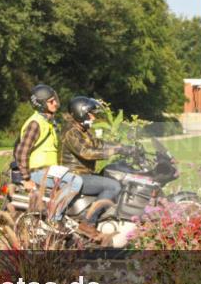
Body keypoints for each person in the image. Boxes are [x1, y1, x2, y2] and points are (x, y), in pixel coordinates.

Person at [13, 84, 83, 222]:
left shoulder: (48, 122)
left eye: (55, 99)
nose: (55, 103)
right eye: (51, 101)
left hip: (49, 171)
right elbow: (22, 152)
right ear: (41, 104)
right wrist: (27, 179)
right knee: (76, 181)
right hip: (37, 172)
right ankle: (53, 219)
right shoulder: (36, 123)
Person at [60, 96, 126, 223]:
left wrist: (122, 147)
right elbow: (86, 153)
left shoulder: (82, 130)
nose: (93, 118)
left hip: (83, 174)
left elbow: (98, 143)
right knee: (113, 187)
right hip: (74, 176)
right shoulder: (70, 132)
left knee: (115, 176)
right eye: (90, 115)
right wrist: (114, 151)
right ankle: (88, 222)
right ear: (81, 114)